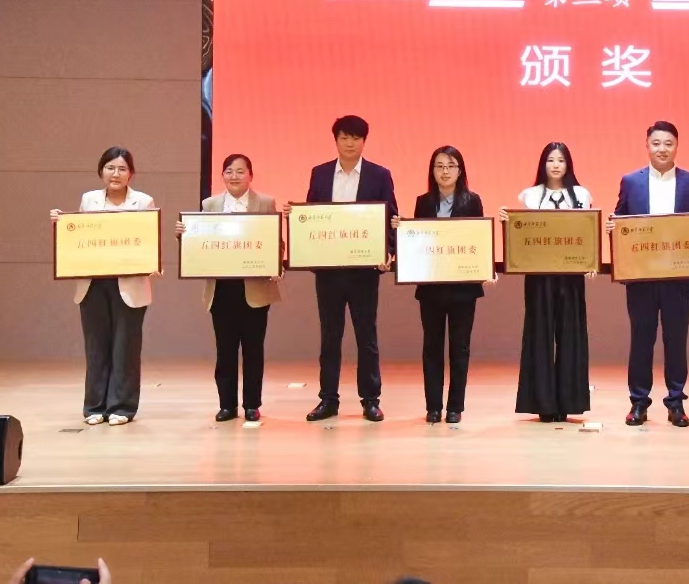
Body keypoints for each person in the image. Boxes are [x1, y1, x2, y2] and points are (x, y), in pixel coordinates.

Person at [606, 121, 689, 428]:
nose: (662, 149)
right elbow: (621, 220)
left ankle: (676, 402)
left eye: (668, 143)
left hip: (678, 278)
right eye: (656, 143)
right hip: (641, 277)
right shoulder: (631, 181)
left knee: (676, 340)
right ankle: (638, 402)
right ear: (647, 146)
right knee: (641, 339)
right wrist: (614, 228)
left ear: (676, 146)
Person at [293, 115, 398, 423]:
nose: (350, 143)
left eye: (355, 137)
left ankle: (371, 400)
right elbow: (311, 216)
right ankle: (328, 399)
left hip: (364, 271)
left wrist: (388, 252)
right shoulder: (320, 173)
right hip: (329, 271)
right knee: (330, 337)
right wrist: (298, 220)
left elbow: (391, 218)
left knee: (367, 335)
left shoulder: (380, 175)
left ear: (364, 141)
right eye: (344, 137)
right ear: (335, 140)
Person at [49, 147, 157, 427]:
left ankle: (122, 406)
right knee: (96, 346)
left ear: (131, 173)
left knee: (125, 347)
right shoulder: (89, 199)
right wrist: (61, 224)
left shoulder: (143, 202)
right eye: (110, 167)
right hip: (93, 283)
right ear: (101, 171)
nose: (115, 174)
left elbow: (148, 242)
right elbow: (78, 237)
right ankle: (94, 406)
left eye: (122, 168)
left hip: (129, 284)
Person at [175, 154, 282, 423]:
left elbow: (276, 243)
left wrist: (275, 263)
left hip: (255, 290)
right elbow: (200, 241)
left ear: (251, 175)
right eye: (229, 171)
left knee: (253, 350)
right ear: (222, 175)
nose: (234, 176)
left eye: (240, 171)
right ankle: (227, 405)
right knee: (225, 350)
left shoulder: (266, 202)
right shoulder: (209, 204)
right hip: (221, 290)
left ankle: (252, 405)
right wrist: (184, 235)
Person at [501, 142, 593, 423]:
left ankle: (567, 401)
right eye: (551, 160)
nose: (556, 165)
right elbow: (523, 237)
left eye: (561, 160)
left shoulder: (581, 194)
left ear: (568, 164)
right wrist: (508, 223)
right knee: (539, 334)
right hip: (538, 276)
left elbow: (586, 233)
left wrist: (590, 261)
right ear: (543, 164)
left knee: (571, 335)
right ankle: (542, 402)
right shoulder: (530, 195)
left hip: (570, 276)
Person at [396, 146, 486, 424]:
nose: (445, 171)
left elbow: (477, 240)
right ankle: (433, 406)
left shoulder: (472, 201)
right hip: (431, 288)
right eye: (439, 166)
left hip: (463, 289)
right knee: (432, 348)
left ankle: (455, 406)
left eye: (450, 166)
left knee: (460, 349)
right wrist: (403, 231)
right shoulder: (423, 202)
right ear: (432, 171)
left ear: (460, 171)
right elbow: (418, 242)